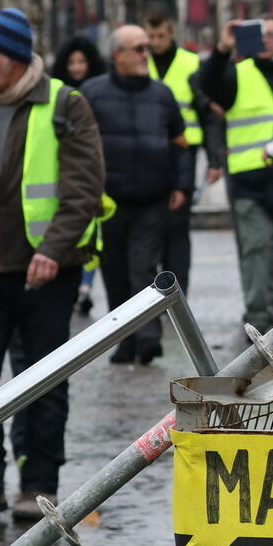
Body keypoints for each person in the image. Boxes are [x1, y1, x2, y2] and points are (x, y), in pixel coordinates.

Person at [0, 7, 106, 521]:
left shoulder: (65, 106)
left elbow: (83, 190)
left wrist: (52, 251)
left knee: (44, 380)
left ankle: (38, 485)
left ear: (9, 57)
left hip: (46, 270)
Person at [85, 22, 192, 365]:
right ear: (118, 55)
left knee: (142, 267)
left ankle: (148, 337)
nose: (148, 54)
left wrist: (181, 184)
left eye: (148, 47)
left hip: (152, 197)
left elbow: (180, 143)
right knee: (114, 274)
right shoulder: (92, 93)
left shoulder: (161, 94)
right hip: (110, 202)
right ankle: (125, 341)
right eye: (140, 48)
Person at [198, 16, 273, 339]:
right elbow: (206, 84)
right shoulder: (236, 72)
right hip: (247, 177)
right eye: (260, 35)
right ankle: (258, 317)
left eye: (272, 34)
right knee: (255, 248)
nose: (265, 40)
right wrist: (223, 48)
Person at [145, 10, 218, 295]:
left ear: (171, 32)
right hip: (148, 155)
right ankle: (152, 293)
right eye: (150, 36)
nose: (154, 42)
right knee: (150, 227)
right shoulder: (141, 61)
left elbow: (206, 114)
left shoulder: (190, 64)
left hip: (184, 153)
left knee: (176, 227)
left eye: (160, 36)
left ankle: (176, 293)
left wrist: (214, 160)